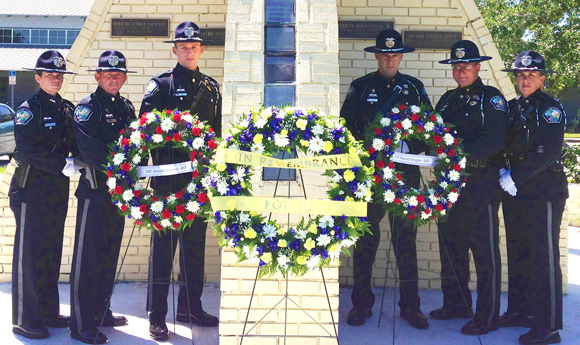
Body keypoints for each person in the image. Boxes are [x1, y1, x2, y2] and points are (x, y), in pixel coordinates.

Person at [340, 29, 431, 329]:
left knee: (406, 241)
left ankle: (411, 307)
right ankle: (361, 304)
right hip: (371, 175)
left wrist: (410, 145)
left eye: (395, 54)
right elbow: (345, 127)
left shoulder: (415, 88)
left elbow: (429, 128)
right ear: (377, 55)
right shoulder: (361, 87)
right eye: (385, 54)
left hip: (405, 177)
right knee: (366, 241)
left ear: (401, 56)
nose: (390, 59)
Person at [140, 21, 222, 341]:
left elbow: (216, 134)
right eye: (183, 47)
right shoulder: (161, 86)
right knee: (163, 250)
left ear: (201, 50)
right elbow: (146, 132)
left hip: (198, 183)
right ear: (175, 50)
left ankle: (190, 306)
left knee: (193, 248)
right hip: (167, 181)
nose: (189, 51)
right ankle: (157, 315)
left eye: (194, 46)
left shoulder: (212, 87)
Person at [430, 40, 508, 335]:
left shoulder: (492, 99)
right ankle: (456, 304)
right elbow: (435, 135)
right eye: (456, 66)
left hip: (480, 184)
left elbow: (495, 140)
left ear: (478, 67)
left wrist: (455, 153)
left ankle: (487, 316)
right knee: (452, 247)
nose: (461, 70)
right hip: (449, 184)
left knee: (484, 251)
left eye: (466, 65)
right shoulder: (448, 100)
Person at [499, 51, 567, 345]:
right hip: (516, 191)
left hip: (544, 191)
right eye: (520, 75)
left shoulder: (550, 109)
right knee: (518, 252)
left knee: (544, 257)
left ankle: (549, 325)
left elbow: (549, 151)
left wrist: (514, 176)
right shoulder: (514, 107)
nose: (525, 80)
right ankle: (520, 311)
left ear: (541, 79)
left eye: (531, 75)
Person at [69, 50, 136, 344]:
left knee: (108, 255)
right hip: (95, 192)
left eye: (118, 74)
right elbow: (92, 153)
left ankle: (101, 310)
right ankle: (81, 324)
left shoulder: (125, 107)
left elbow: (136, 142)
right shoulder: (87, 108)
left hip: (118, 195)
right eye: (108, 74)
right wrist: (123, 164)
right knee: (87, 260)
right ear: (97, 76)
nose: (114, 78)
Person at [9, 50, 77, 339]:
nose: (56, 79)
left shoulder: (66, 108)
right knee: (29, 255)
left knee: (51, 252)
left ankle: (48, 311)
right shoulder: (29, 110)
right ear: (37, 78)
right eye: (50, 75)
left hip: (56, 190)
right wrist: (64, 164)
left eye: (59, 75)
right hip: (30, 190)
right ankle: (25, 318)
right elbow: (27, 150)